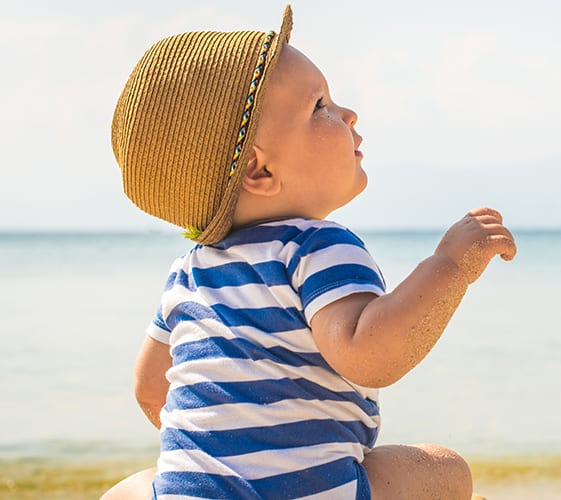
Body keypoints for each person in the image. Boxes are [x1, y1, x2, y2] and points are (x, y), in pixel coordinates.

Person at [102, 5, 515, 499]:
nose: (348, 113)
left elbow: (152, 390)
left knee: (132, 488)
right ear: (259, 172)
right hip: (315, 491)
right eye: (319, 105)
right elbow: (370, 355)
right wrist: (449, 267)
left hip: (194, 491)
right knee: (446, 469)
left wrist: (226, 452)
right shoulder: (316, 246)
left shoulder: (189, 274)